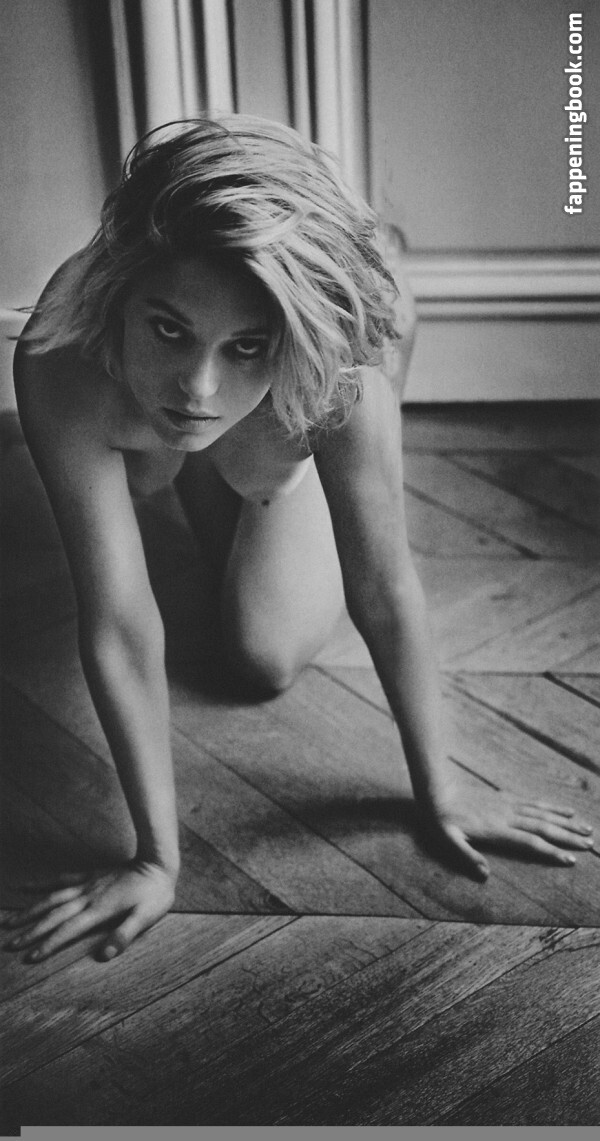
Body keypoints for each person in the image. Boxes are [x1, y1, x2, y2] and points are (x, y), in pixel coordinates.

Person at [7, 115, 593, 963]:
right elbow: (120, 618)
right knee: (152, 470)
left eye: (244, 345)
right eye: (168, 328)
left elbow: (384, 588)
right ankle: (208, 444)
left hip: (300, 394)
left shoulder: (336, 377)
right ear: (123, 294)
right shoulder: (61, 354)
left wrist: (444, 788)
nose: (198, 386)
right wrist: (156, 859)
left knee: (261, 654)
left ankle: (377, 285)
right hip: (182, 398)